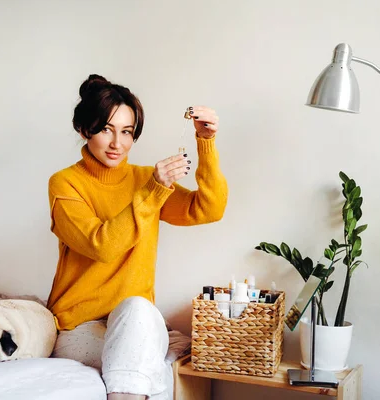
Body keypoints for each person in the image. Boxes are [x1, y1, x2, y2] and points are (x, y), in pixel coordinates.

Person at [47, 74, 228, 400]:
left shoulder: (145, 180)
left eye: (127, 132)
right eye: (106, 129)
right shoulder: (64, 184)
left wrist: (206, 143)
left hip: (136, 320)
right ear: (83, 129)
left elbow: (209, 209)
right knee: (150, 363)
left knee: (139, 310)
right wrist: (154, 191)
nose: (117, 143)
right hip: (79, 329)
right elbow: (101, 245)